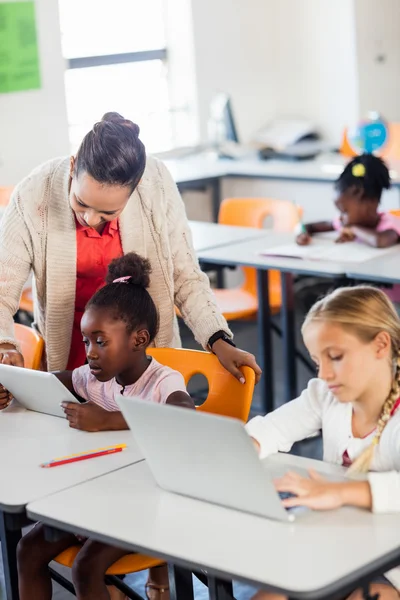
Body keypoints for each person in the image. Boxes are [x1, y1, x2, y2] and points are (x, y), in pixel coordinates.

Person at [0, 112, 261, 385]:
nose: (89, 219)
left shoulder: (156, 183)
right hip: (68, 363)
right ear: (73, 166)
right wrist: (4, 346)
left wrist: (218, 339)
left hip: (146, 369)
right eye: (81, 203)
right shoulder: (33, 194)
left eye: (107, 212)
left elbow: (185, 276)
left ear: (135, 188)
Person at [16, 253, 194, 600]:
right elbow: (48, 383)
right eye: (86, 341)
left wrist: (111, 420)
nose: (90, 353)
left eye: (100, 341)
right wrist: (14, 389)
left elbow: (185, 421)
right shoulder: (93, 378)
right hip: (95, 495)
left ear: (138, 340)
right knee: (27, 550)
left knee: (86, 567)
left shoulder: (163, 381)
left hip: (145, 503)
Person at [246, 286, 400, 600]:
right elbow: (273, 428)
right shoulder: (326, 396)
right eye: (318, 361)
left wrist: (338, 492)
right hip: (340, 548)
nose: (325, 373)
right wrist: (247, 446)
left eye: (336, 357)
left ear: (381, 345)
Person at [296, 154, 399, 248]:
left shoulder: (391, 224)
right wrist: (303, 234)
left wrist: (353, 229)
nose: (340, 217)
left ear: (370, 203)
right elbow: (308, 226)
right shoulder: (343, 223)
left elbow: (379, 241)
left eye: (345, 211)